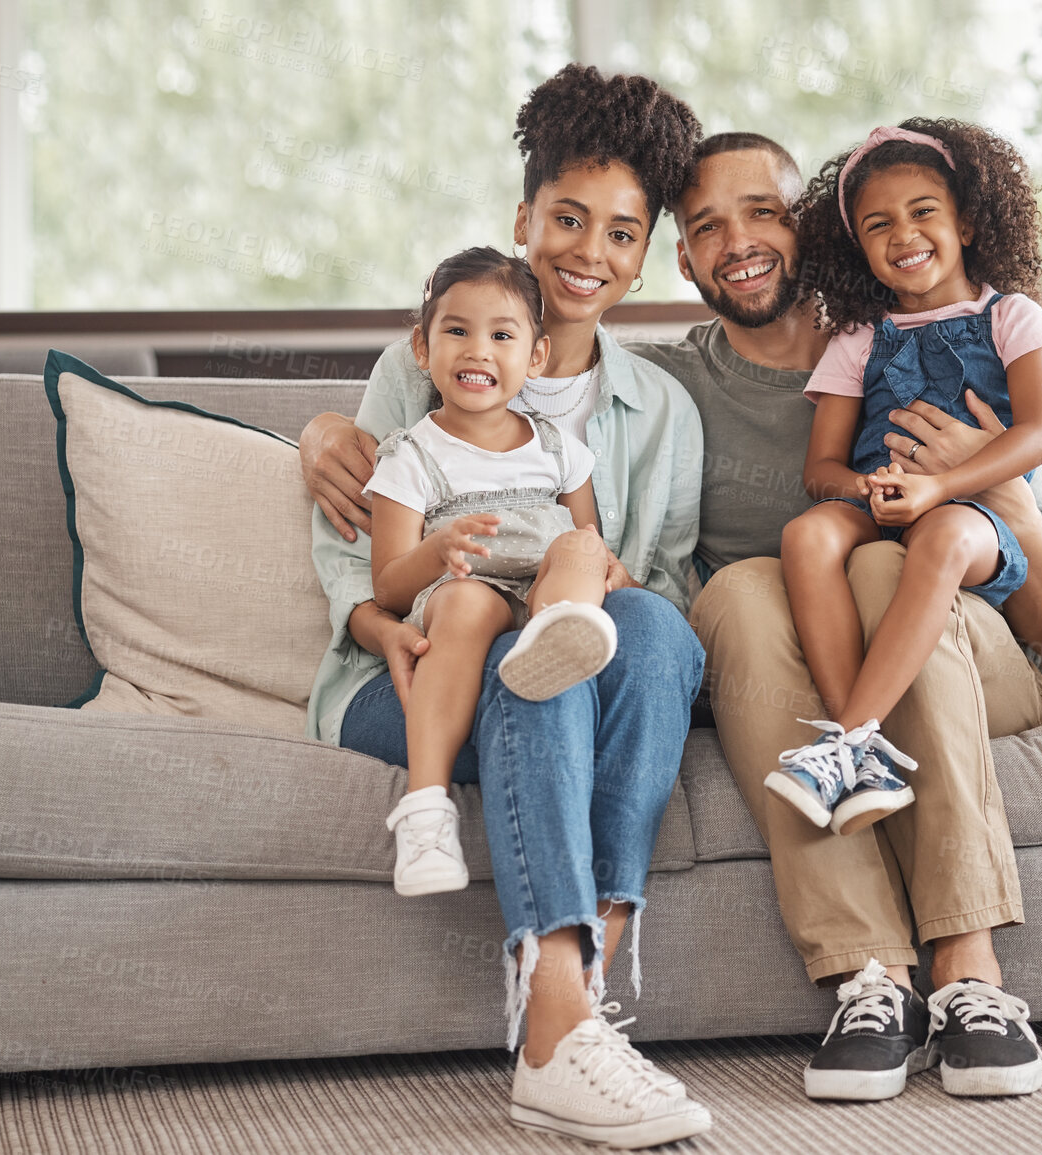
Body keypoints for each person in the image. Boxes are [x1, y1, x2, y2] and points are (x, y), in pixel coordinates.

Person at [626, 132, 1042, 1102]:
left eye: (762, 211)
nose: (738, 241)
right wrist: (342, 427)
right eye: (706, 225)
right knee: (739, 595)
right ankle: (868, 977)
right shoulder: (665, 386)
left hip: (972, 659)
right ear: (682, 259)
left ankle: (970, 971)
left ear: (805, 227)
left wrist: (978, 475)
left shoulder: (970, 344)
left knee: (884, 562)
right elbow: (509, 359)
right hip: (798, 665)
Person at [302, 66, 711, 1148]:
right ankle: (558, 1031)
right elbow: (356, 542)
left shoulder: (659, 407)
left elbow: (660, 579)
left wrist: (597, 584)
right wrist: (377, 623)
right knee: (529, 655)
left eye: (622, 232)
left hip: (562, 642)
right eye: (567, 218)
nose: (590, 251)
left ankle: (585, 953)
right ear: (524, 217)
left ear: (646, 250)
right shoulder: (429, 362)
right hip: (417, 668)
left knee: (638, 632)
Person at [765, 119, 1042, 844]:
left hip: (972, 516)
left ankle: (844, 736)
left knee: (938, 533)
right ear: (858, 248)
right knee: (804, 535)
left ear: (965, 220)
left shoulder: (1012, 316)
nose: (902, 234)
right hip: (886, 502)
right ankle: (859, 755)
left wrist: (940, 487)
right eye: (878, 224)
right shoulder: (858, 337)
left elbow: (1037, 435)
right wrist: (865, 490)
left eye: (922, 212)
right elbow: (821, 470)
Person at [365, 247, 620, 898]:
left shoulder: (560, 450)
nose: (477, 351)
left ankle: (560, 635)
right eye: (456, 331)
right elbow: (389, 586)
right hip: (467, 590)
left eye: (501, 335)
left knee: (582, 550)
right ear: (422, 348)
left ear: (534, 356)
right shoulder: (411, 456)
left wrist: (600, 570)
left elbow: (586, 537)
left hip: (541, 594)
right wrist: (435, 549)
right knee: (465, 603)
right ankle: (425, 811)